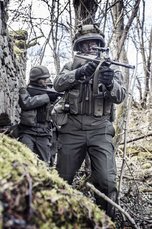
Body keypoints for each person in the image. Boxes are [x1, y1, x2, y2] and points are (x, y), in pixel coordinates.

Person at [53, 24, 126, 219]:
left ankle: (105, 220)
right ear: (80, 46)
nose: (91, 47)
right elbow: (58, 85)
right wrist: (80, 72)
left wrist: (109, 82)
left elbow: (120, 96)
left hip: (100, 129)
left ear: (100, 45)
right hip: (72, 128)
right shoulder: (70, 66)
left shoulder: (112, 67)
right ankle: (59, 218)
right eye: (86, 43)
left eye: (95, 43)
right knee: (62, 179)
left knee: (107, 181)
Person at [18, 65, 60, 166]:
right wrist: (47, 97)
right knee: (25, 161)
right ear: (36, 79)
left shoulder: (49, 91)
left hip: (44, 134)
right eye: (44, 78)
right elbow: (25, 103)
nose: (46, 80)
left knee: (44, 163)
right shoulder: (25, 90)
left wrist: (55, 100)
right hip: (27, 132)